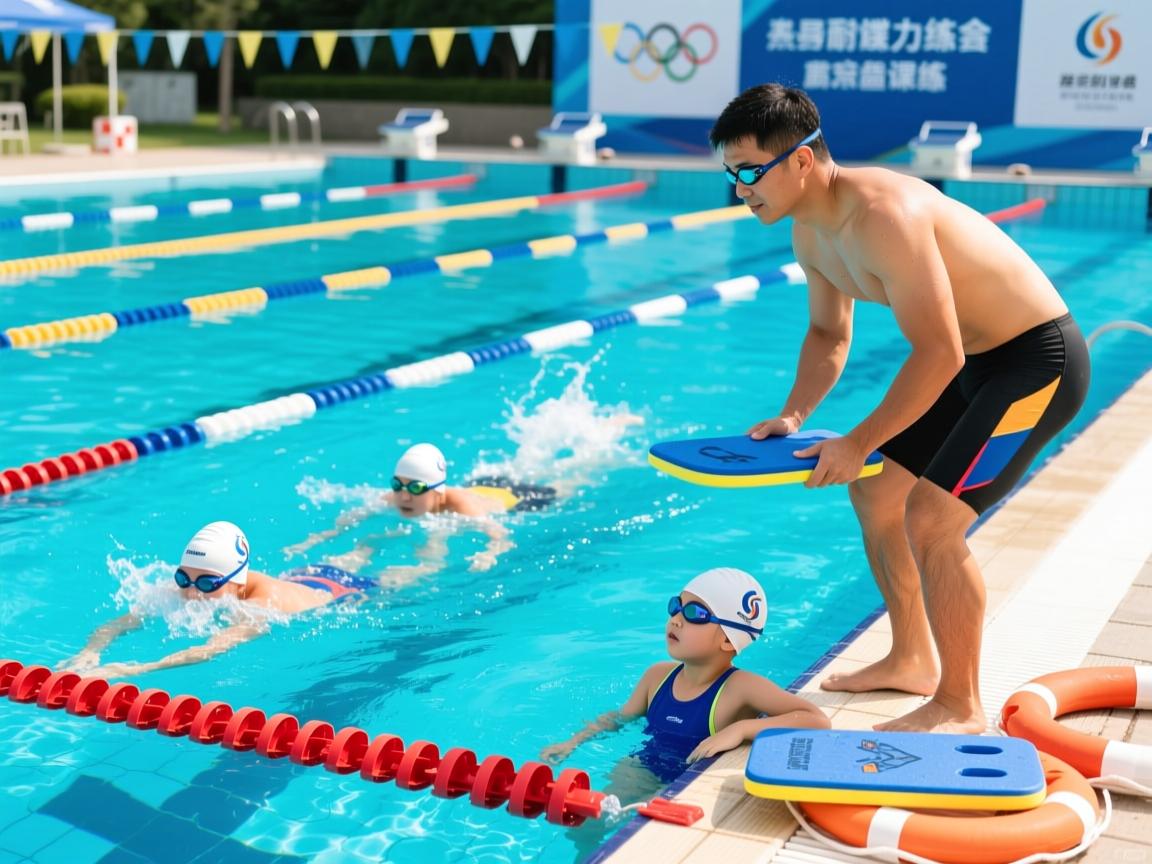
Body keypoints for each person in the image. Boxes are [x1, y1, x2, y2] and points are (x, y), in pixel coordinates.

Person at [710, 84, 1090, 733]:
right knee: (877, 493)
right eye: (731, 174)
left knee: (933, 518)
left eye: (749, 171)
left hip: (1036, 363)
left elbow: (937, 352)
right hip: (975, 365)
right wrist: (794, 415)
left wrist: (857, 442)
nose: (740, 189)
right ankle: (911, 658)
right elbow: (828, 335)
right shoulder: (810, 232)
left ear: (800, 160)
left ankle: (959, 704)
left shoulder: (885, 214)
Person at [540, 568, 829, 780]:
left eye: (695, 614)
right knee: (591, 823)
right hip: (644, 766)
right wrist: (573, 742)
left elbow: (815, 719)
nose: (676, 620)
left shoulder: (740, 687)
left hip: (694, 780)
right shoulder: (657, 677)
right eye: (676, 606)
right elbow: (619, 719)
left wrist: (740, 729)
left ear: (728, 639)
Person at [62, 521, 376, 678]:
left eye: (207, 583)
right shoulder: (188, 583)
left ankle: (372, 545)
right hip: (300, 575)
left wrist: (135, 670)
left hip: (342, 593)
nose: (192, 592)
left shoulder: (260, 605)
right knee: (349, 557)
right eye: (183, 578)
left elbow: (212, 648)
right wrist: (90, 652)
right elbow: (121, 623)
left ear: (237, 580)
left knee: (380, 567)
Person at [286, 443, 555, 575]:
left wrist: (489, 554)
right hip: (480, 484)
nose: (404, 495)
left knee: (561, 483)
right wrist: (320, 538)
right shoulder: (394, 497)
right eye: (397, 485)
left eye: (415, 488)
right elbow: (354, 517)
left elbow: (501, 535)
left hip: (516, 499)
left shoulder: (462, 506)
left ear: (438, 491)